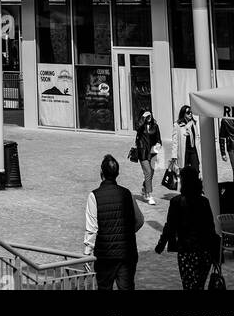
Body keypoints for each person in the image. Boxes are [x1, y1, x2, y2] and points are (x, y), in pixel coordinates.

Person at [84, 154, 144, 290]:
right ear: (117, 173)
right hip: (127, 253)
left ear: (101, 172)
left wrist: (87, 252)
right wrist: (126, 232)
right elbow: (140, 220)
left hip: (105, 255)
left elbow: (92, 228)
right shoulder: (127, 194)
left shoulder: (94, 196)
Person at [155, 166, 221, 291]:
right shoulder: (204, 202)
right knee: (199, 285)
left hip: (186, 251)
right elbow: (210, 228)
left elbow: (170, 226)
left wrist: (161, 244)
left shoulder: (176, 202)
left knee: (189, 285)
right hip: (204, 251)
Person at [134, 109, 163, 205]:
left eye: (150, 115)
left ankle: (144, 188)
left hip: (153, 152)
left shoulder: (155, 126)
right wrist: (143, 118)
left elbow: (159, 139)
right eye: (146, 116)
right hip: (143, 152)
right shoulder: (140, 126)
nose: (149, 117)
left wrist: (159, 145)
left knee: (151, 173)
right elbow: (137, 127)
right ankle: (149, 195)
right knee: (148, 172)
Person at [172, 105, 200, 177]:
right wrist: (174, 156)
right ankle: (186, 187)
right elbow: (175, 142)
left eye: (191, 112)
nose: (190, 114)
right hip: (184, 151)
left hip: (193, 150)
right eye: (188, 112)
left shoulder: (193, 123)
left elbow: (197, 137)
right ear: (183, 114)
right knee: (184, 172)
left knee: (196, 170)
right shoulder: (177, 125)